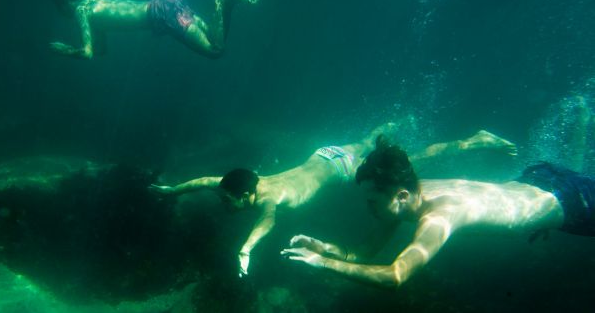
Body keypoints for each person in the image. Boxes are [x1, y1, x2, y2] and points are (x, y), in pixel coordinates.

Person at [150, 123, 517, 277]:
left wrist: (246, 250)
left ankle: (474, 141)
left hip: (342, 168)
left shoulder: (268, 198)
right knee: (375, 143)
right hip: (325, 153)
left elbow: (267, 223)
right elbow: (203, 181)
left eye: (230, 202)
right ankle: (383, 128)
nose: (224, 204)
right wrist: (171, 190)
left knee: (414, 160)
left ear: (247, 195)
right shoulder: (240, 181)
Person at [281, 136, 594, 288]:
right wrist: (326, 248)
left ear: (401, 196)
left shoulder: (439, 217)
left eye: (372, 202)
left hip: (572, 203)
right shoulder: (411, 190)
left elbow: (395, 276)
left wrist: (323, 264)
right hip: (537, 179)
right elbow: (363, 251)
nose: (368, 209)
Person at [47, 0, 259, 59]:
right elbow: (101, 50)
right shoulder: (92, 4)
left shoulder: (81, 10)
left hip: (161, 13)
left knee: (215, 50)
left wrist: (65, 50)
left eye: (57, 5)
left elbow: (88, 52)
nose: (59, 11)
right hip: (165, 3)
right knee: (214, 37)